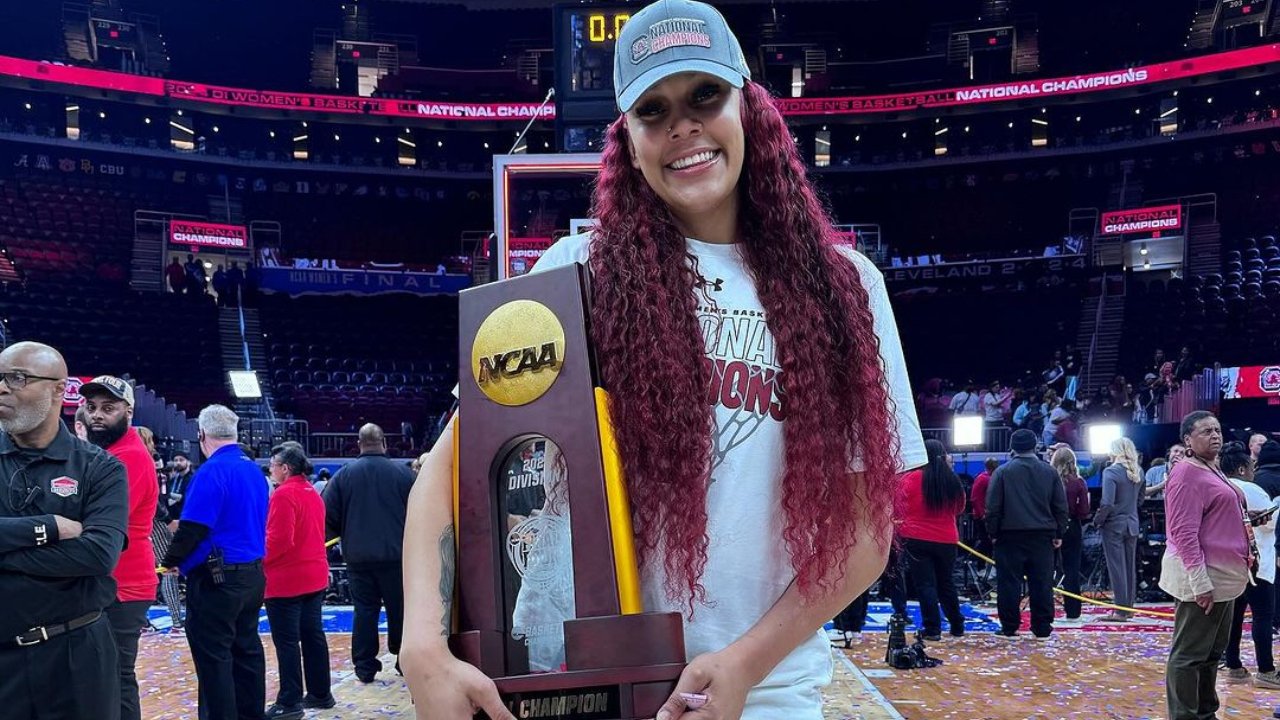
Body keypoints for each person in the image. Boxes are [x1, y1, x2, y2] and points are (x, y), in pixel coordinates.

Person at [398, 2, 927, 717]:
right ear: (629, 142)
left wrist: (741, 666)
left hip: (762, 695)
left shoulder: (846, 286)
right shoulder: (575, 271)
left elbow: (867, 534)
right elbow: (448, 465)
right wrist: (421, 644)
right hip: (583, 688)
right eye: (653, 110)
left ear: (751, 108)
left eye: (704, 96)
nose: (683, 126)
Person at [0, 342, 128, 718]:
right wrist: (47, 528)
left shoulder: (100, 468)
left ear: (59, 390)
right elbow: (79, 550)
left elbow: (98, 554)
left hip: (79, 654)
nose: (2, 388)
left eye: (17, 378)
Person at [160, 405, 269, 720]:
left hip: (217, 579)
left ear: (201, 435)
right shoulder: (254, 470)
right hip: (252, 576)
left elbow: (193, 528)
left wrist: (172, 562)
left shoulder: (210, 472)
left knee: (214, 659)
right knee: (247, 650)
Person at [1161, 410, 1251, 720]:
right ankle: (1185, 715)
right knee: (1189, 655)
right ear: (1187, 439)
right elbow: (1184, 534)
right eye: (1205, 431)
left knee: (1212, 653)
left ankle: (1205, 711)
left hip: (1225, 577)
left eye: (1217, 429)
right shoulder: (1187, 473)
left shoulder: (1211, 468)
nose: (1215, 435)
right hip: (1203, 578)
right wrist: (1200, 582)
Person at [81, 376, 160, 720]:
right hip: (114, 579)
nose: (96, 415)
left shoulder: (128, 457)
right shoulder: (110, 453)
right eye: (92, 407)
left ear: (128, 411)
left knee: (115, 676)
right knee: (107, 675)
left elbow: (98, 521)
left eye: (108, 408)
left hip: (124, 584)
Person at [324, 423, 415, 683]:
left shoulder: (343, 475)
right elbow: (420, 512)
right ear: (384, 442)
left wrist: (342, 541)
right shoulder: (403, 473)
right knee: (400, 609)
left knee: (364, 611)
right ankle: (403, 660)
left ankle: (364, 666)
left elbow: (328, 515)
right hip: (397, 557)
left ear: (359, 444)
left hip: (358, 558)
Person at [264, 443, 334, 719]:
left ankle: (289, 701)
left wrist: (257, 557)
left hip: (287, 580)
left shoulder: (284, 495)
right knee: (313, 636)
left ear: (285, 468)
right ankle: (320, 693)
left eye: (273, 464)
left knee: (288, 642)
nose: (270, 469)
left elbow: (279, 541)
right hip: (313, 576)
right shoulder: (312, 492)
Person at [985, 428, 1067, 639]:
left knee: (1008, 583)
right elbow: (1060, 506)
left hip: (1009, 535)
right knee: (1042, 583)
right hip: (1042, 536)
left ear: (1012, 447)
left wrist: (992, 532)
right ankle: (1042, 627)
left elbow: (992, 507)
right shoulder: (1050, 472)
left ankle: (1010, 626)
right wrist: (1059, 533)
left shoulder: (1002, 472)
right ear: (1035, 446)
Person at [1220, 441, 1280, 688]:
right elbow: (1270, 524)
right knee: (1263, 616)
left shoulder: (1220, 487)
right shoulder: (1251, 490)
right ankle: (1266, 669)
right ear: (1243, 468)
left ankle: (1233, 663)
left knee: (1235, 614)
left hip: (1230, 561)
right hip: (1257, 561)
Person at [896, 439, 966, 641]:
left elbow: (898, 505)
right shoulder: (952, 480)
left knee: (925, 585)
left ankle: (932, 628)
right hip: (947, 539)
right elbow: (959, 508)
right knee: (946, 583)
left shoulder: (911, 479)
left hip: (916, 537)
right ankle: (957, 624)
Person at [1093, 437, 1142, 622]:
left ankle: (1120, 610)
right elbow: (1140, 500)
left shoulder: (1111, 472)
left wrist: (1098, 521)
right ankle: (1128, 607)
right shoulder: (1139, 472)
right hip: (1132, 523)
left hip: (1113, 525)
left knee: (1117, 568)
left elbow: (1107, 503)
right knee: (1129, 568)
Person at [1051, 446, 1090, 620]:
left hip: (1050, 526)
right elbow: (1084, 511)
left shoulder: (1050, 481)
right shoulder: (1078, 482)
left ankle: (1045, 609)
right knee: (1072, 569)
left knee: (1046, 569)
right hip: (1072, 525)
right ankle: (1073, 611)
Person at [970, 457, 999, 555]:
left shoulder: (989, 478)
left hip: (987, 515)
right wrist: (981, 514)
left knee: (988, 541)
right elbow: (974, 498)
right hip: (982, 516)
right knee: (985, 541)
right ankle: (981, 565)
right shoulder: (982, 479)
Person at [167, 450, 195, 529]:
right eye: (176, 460)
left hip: (187, 520)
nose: (178, 463)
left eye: (181, 460)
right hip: (173, 519)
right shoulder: (173, 479)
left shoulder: (193, 479)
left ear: (188, 462)